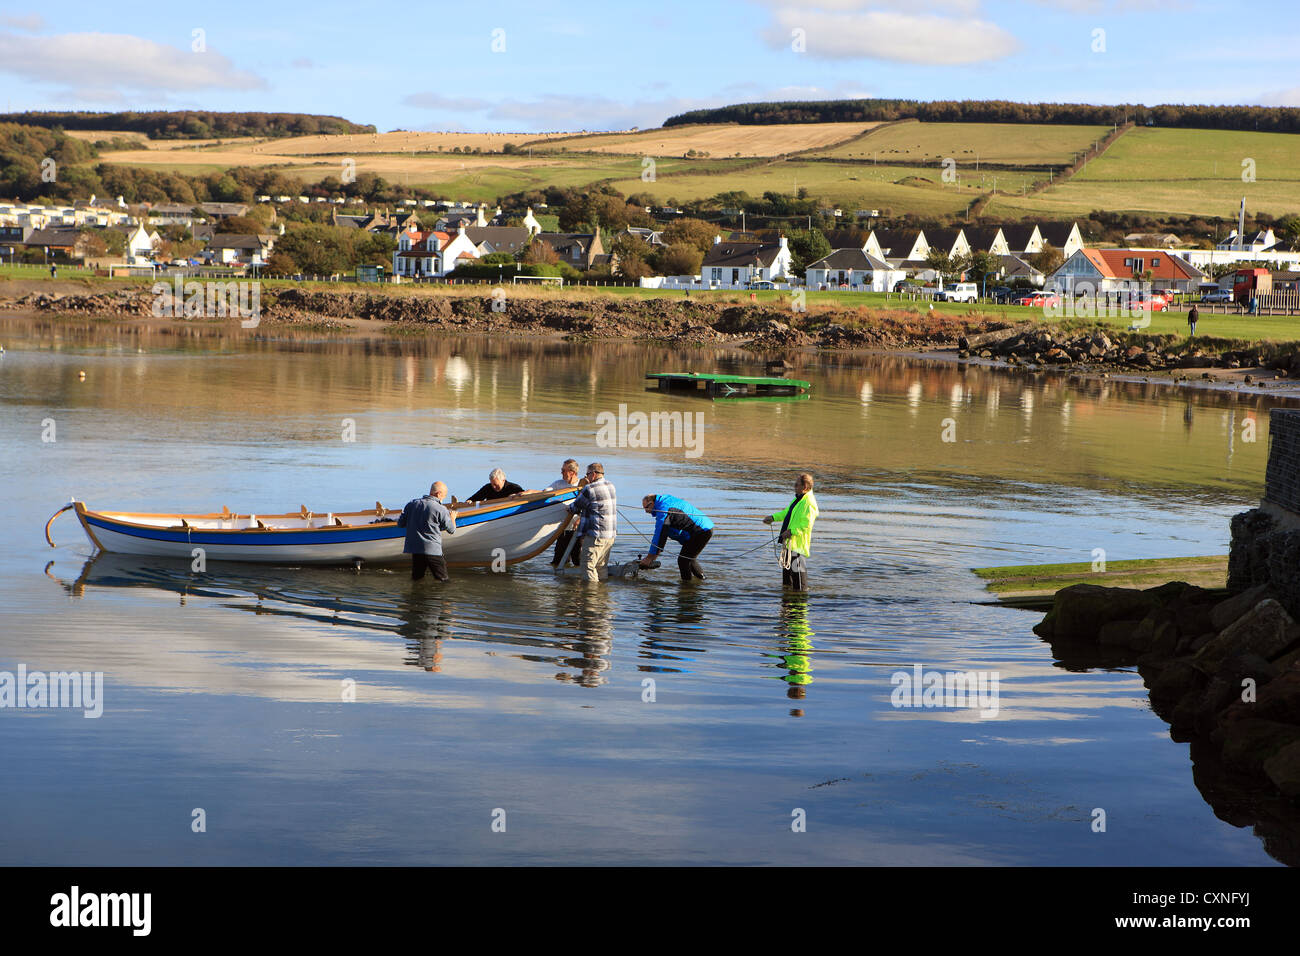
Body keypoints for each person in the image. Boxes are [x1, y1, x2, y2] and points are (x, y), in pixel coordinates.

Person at [639, 493, 714, 581]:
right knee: (689, 558)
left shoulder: (664, 509)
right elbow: (667, 532)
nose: (646, 511)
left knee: (683, 561)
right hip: (703, 529)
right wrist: (653, 557)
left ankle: (687, 588)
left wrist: (649, 558)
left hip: (701, 531)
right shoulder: (665, 501)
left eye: (646, 507)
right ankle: (702, 580)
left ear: (652, 503)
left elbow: (660, 535)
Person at [763, 473, 819, 591]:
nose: (794, 486)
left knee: (800, 587)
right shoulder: (798, 499)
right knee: (787, 584)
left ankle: (799, 607)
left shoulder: (809, 503)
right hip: (788, 546)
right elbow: (786, 513)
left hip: (797, 548)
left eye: (796, 484)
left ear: (804, 487)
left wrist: (791, 531)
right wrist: (772, 517)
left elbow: (807, 525)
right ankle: (786, 607)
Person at [397, 481, 456, 581]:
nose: (443, 499)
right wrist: (453, 518)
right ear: (438, 494)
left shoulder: (411, 504)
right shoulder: (440, 509)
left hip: (415, 549)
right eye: (444, 496)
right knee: (444, 581)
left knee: (417, 579)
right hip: (433, 550)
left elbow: (400, 524)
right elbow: (451, 530)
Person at [567, 462, 616, 582]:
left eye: (587, 474)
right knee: (600, 566)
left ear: (593, 474)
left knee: (587, 566)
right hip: (610, 535)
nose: (586, 478)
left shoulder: (590, 488)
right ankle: (602, 594)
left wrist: (568, 508)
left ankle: (590, 595)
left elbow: (576, 506)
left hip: (596, 534)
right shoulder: (611, 485)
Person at [548, 459, 582, 568]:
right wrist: (530, 493)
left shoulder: (583, 485)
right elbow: (545, 492)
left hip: (579, 530)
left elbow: (590, 506)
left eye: (563, 470)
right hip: (563, 529)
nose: (561, 472)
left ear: (572, 472)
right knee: (557, 562)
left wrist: (580, 518)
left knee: (579, 561)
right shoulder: (558, 484)